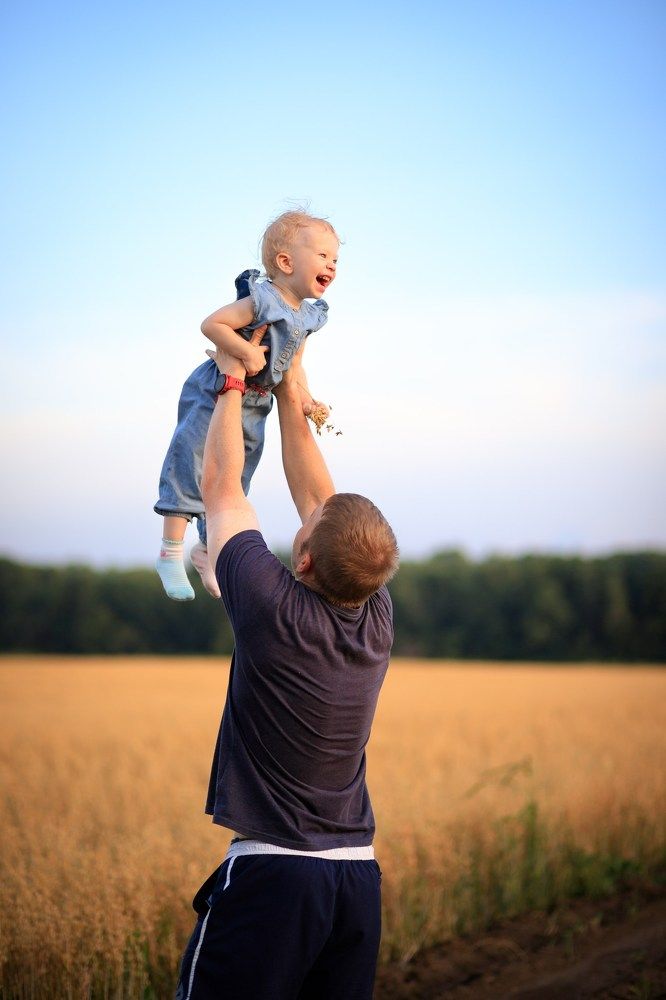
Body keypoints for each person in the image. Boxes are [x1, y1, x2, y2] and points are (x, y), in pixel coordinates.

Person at [174, 334, 399, 1000]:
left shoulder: (274, 610)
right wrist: (292, 367)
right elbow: (319, 504)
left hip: (275, 880)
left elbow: (219, 488)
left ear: (304, 561)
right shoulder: (376, 612)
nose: (305, 519)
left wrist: (233, 384)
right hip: (356, 882)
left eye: (306, 533)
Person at [154, 209, 339, 602]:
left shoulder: (308, 316)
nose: (331, 264)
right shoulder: (263, 299)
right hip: (217, 388)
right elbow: (213, 324)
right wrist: (245, 353)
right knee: (193, 462)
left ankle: (207, 549)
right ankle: (170, 552)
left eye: (335, 259)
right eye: (323, 255)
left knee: (233, 479)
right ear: (286, 262)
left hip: (255, 403)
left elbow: (295, 366)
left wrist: (306, 399)